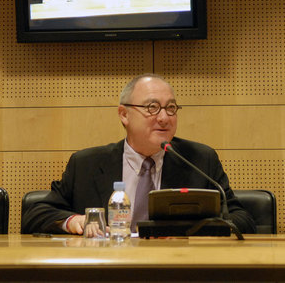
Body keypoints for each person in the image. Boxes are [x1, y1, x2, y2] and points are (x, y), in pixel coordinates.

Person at [21, 73, 256, 235]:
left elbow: (241, 219)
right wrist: (76, 221)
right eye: (152, 108)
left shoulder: (199, 159)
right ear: (124, 114)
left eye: (171, 108)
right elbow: (36, 215)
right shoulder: (87, 164)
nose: (164, 118)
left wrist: (192, 230)